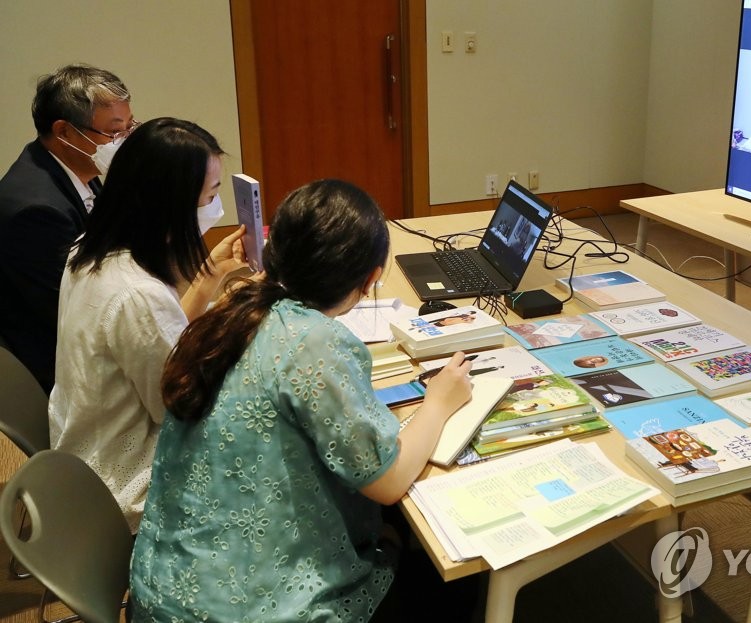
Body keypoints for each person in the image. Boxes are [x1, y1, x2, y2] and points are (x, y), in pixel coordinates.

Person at [130, 179, 474, 622]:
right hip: (250, 611)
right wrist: (441, 401)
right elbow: (386, 482)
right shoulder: (314, 342)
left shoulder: (230, 311)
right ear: (370, 280)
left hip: (160, 596)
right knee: (444, 573)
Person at [48, 118, 248, 531]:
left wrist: (210, 273)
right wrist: (244, 318)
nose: (214, 206)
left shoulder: (89, 250)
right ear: (170, 204)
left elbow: (163, 340)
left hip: (83, 460)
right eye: (210, 194)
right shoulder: (137, 294)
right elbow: (180, 405)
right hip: (130, 490)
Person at [0, 64, 135, 392]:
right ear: (64, 132)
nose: (125, 142)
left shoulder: (80, 172)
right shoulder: (35, 210)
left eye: (130, 128)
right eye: (114, 133)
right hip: (59, 372)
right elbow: (82, 311)